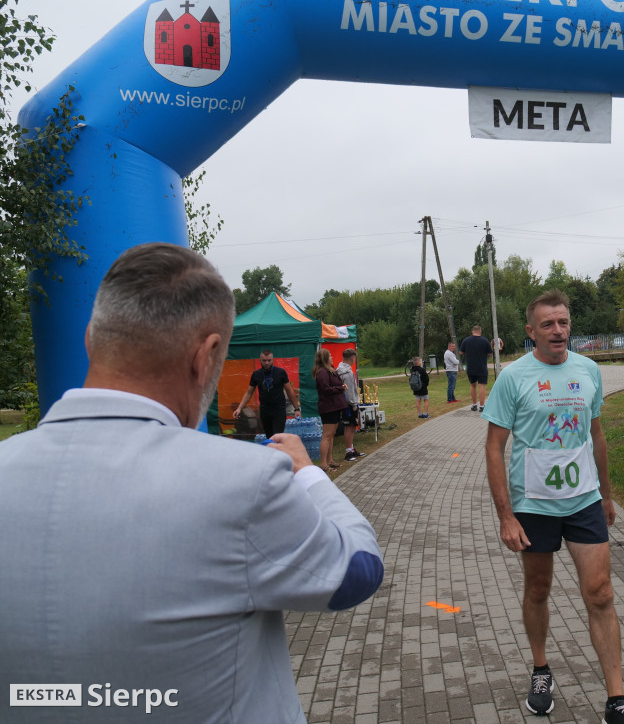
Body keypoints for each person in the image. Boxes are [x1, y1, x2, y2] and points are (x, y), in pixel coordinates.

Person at [0, 243, 383, 723]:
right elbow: (357, 572)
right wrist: (307, 473)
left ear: (91, 341)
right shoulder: (243, 481)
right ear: (207, 357)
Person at [483, 289, 624, 724]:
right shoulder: (513, 377)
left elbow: (596, 437)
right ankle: (540, 669)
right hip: (533, 506)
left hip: (584, 502)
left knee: (601, 593)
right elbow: (494, 448)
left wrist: (607, 495)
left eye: (564, 322)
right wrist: (505, 514)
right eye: (549, 324)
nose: (558, 331)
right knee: (538, 590)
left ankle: (616, 700)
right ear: (531, 331)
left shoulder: (588, 370)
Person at [233, 349, 301, 436]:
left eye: (269, 360)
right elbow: (249, 393)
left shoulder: (281, 372)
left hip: (279, 410)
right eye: (264, 360)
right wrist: (239, 408)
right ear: (260, 360)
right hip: (265, 410)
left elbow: (290, 392)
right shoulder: (256, 374)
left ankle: (278, 449)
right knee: (269, 437)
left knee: (278, 436)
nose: (267, 363)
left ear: (273, 360)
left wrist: (297, 409)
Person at [313, 347, 348, 469]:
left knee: (331, 435)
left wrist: (340, 386)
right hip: (328, 407)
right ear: (325, 359)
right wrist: (341, 388)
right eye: (330, 356)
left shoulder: (331, 370)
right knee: (327, 435)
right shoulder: (322, 372)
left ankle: (330, 460)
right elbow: (325, 389)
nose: (332, 358)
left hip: (335, 406)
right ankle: (323, 463)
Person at [336, 347, 366, 462]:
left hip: (346, 403)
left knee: (349, 426)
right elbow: (349, 391)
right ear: (353, 358)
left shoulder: (341, 369)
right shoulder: (347, 372)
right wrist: (354, 404)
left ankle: (351, 449)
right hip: (349, 403)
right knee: (351, 426)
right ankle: (348, 452)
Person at [460, 324, 491, 412]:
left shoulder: (466, 340)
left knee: (473, 385)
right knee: (482, 385)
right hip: (482, 367)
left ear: (472, 331)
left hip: (470, 366)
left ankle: (474, 405)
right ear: (480, 331)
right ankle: (481, 406)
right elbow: (490, 353)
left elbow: (461, 352)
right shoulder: (485, 341)